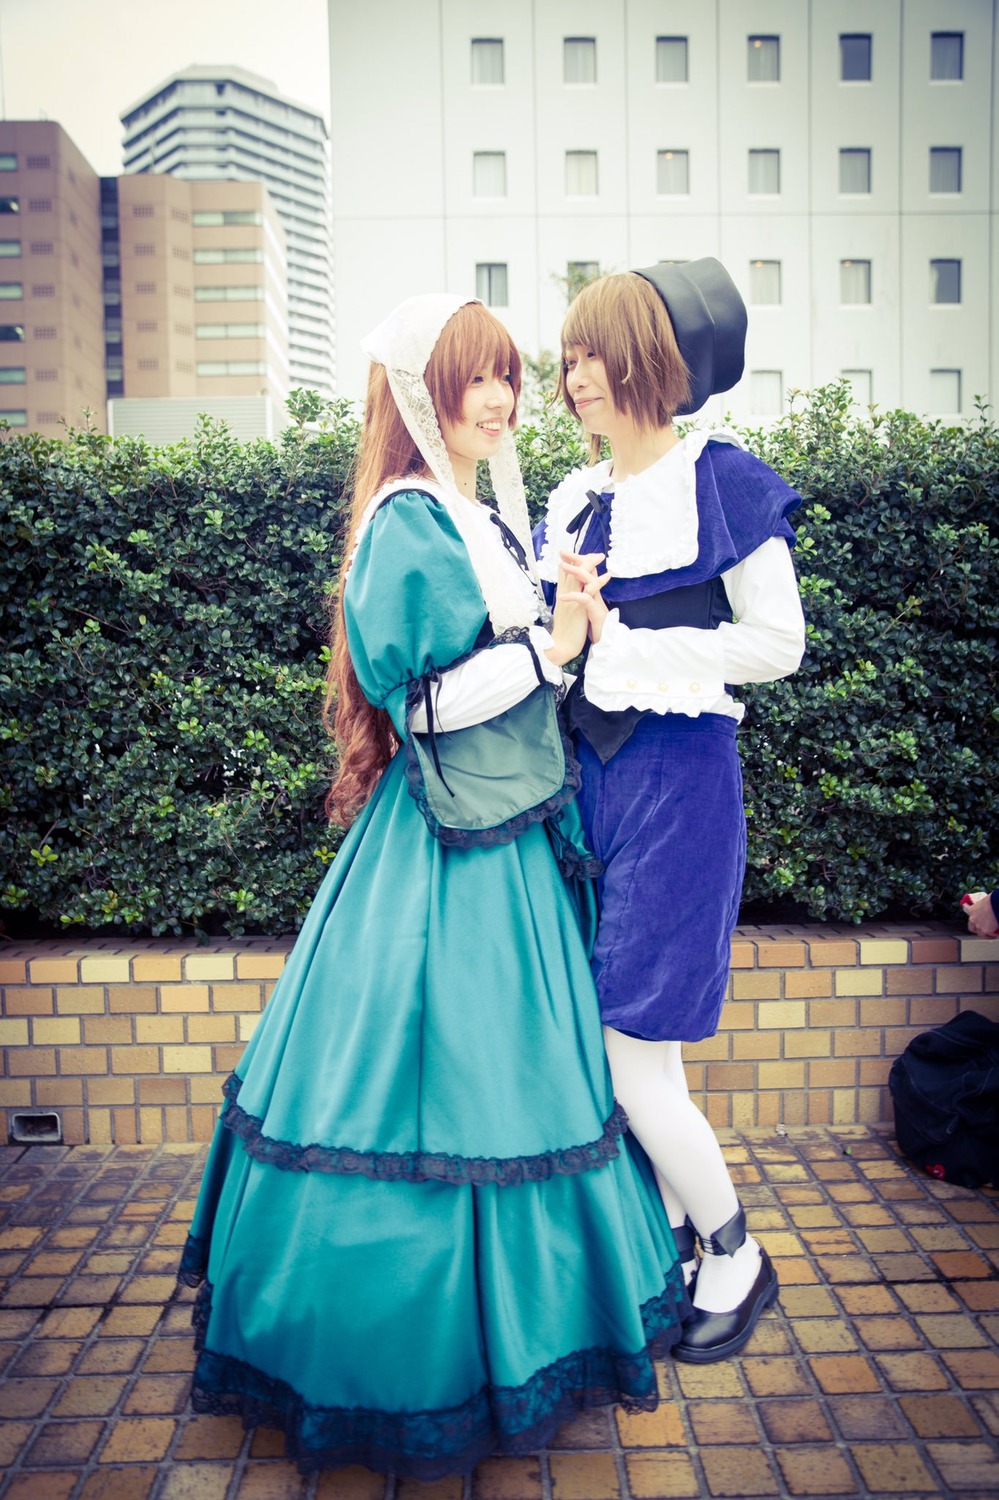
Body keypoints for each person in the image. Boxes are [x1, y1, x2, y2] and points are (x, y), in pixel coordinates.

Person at [177, 293, 690, 1479]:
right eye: (478, 378)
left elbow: (512, 684)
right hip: (438, 847)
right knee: (421, 1086)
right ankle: (385, 1363)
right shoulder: (413, 520)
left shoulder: (481, 518)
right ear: (424, 393)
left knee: (518, 1080)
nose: (503, 399)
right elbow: (422, 708)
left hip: (505, 837)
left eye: (510, 376)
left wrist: (563, 634)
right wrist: (544, 651)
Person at [535, 261, 807, 1363]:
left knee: (625, 1056)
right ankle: (690, 1245)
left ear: (651, 360)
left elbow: (778, 645)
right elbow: (561, 664)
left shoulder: (726, 484)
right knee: (649, 1054)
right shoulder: (576, 501)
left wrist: (630, 647)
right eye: (566, 357)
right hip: (590, 788)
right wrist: (568, 647)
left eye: (591, 354)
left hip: (682, 784)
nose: (571, 376)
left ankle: (736, 1255)